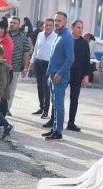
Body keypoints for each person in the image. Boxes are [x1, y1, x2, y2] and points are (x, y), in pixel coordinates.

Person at [41, 12, 73, 141]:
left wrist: (59, 73)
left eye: (59, 20)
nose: (57, 23)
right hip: (53, 75)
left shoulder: (67, 37)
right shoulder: (58, 36)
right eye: (55, 20)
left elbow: (70, 59)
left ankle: (58, 132)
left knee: (58, 105)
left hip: (60, 77)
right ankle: (54, 128)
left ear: (65, 22)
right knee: (55, 104)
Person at [64, 19, 91, 132]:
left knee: (74, 99)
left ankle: (71, 122)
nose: (80, 30)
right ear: (72, 28)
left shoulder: (84, 43)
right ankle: (54, 119)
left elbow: (86, 60)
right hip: (64, 72)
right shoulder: (66, 40)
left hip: (77, 74)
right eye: (78, 27)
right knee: (58, 97)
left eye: (81, 28)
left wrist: (86, 76)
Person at [30, 17, 55, 118]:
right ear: (43, 25)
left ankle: (46, 110)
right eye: (46, 25)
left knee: (46, 86)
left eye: (50, 25)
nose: (48, 27)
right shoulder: (40, 34)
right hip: (38, 62)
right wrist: (31, 62)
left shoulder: (55, 37)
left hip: (48, 64)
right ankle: (41, 107)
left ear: (53, 27)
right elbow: (36, 49)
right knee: (39, 86)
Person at [6, 16, 32, 108]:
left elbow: (26, 53)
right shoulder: (4, 35)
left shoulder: (23, 38)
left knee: (10, 91)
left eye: (14, 23)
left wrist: (25, 68)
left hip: (15, 68)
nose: (12, 24)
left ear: (19, 25)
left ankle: (7, 110)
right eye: (11, 23)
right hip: (2, 67)